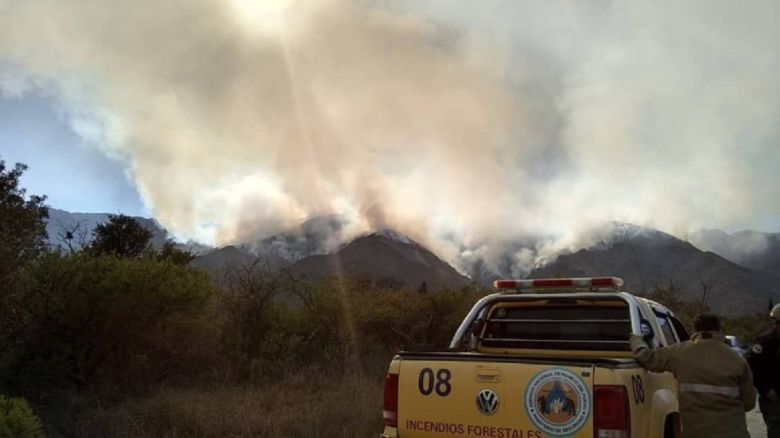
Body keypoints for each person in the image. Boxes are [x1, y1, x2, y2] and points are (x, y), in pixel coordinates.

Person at [630, 313, 756, 438]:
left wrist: (637, 341)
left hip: (696, 433)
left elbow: (648, 358)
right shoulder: (737, 360)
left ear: (695, 330)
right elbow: (749, 403)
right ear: (719, 330)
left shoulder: (679, 353)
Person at [746, 303, 780, 438]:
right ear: (776, 323)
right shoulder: (765, 342)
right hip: (774, 400)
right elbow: (750, 366)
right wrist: (766, 389)